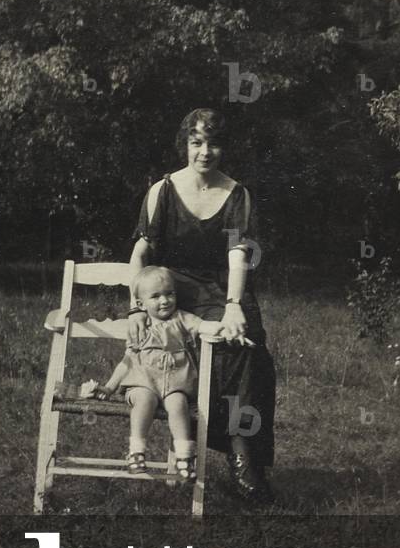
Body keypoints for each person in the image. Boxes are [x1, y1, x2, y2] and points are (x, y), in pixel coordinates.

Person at [126, 107, 276, 501]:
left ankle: (243, 458)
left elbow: (237, 256)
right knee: (205, 346)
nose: (205, 152)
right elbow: (140, 254)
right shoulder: (163, 191)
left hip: (223, 288)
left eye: (213, 143)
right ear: (185, 146)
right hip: (172, 292)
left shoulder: (236, 195)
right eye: (196, 143)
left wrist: (233, 304)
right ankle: (194, 444)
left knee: (248, 343)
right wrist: (136, 307)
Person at [96, 266, 227, 481]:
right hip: (142, 382)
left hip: (176, 383)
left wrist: (224, 327)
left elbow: (204, 326)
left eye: (169, 293)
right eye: (155, 296)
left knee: (178, 404)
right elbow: (127, 360)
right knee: (145, 400)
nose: (165, 300)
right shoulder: (140, 326)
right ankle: (136, 451)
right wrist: (110, 387)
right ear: (140, 304)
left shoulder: (182, 318)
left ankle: (184, 456)